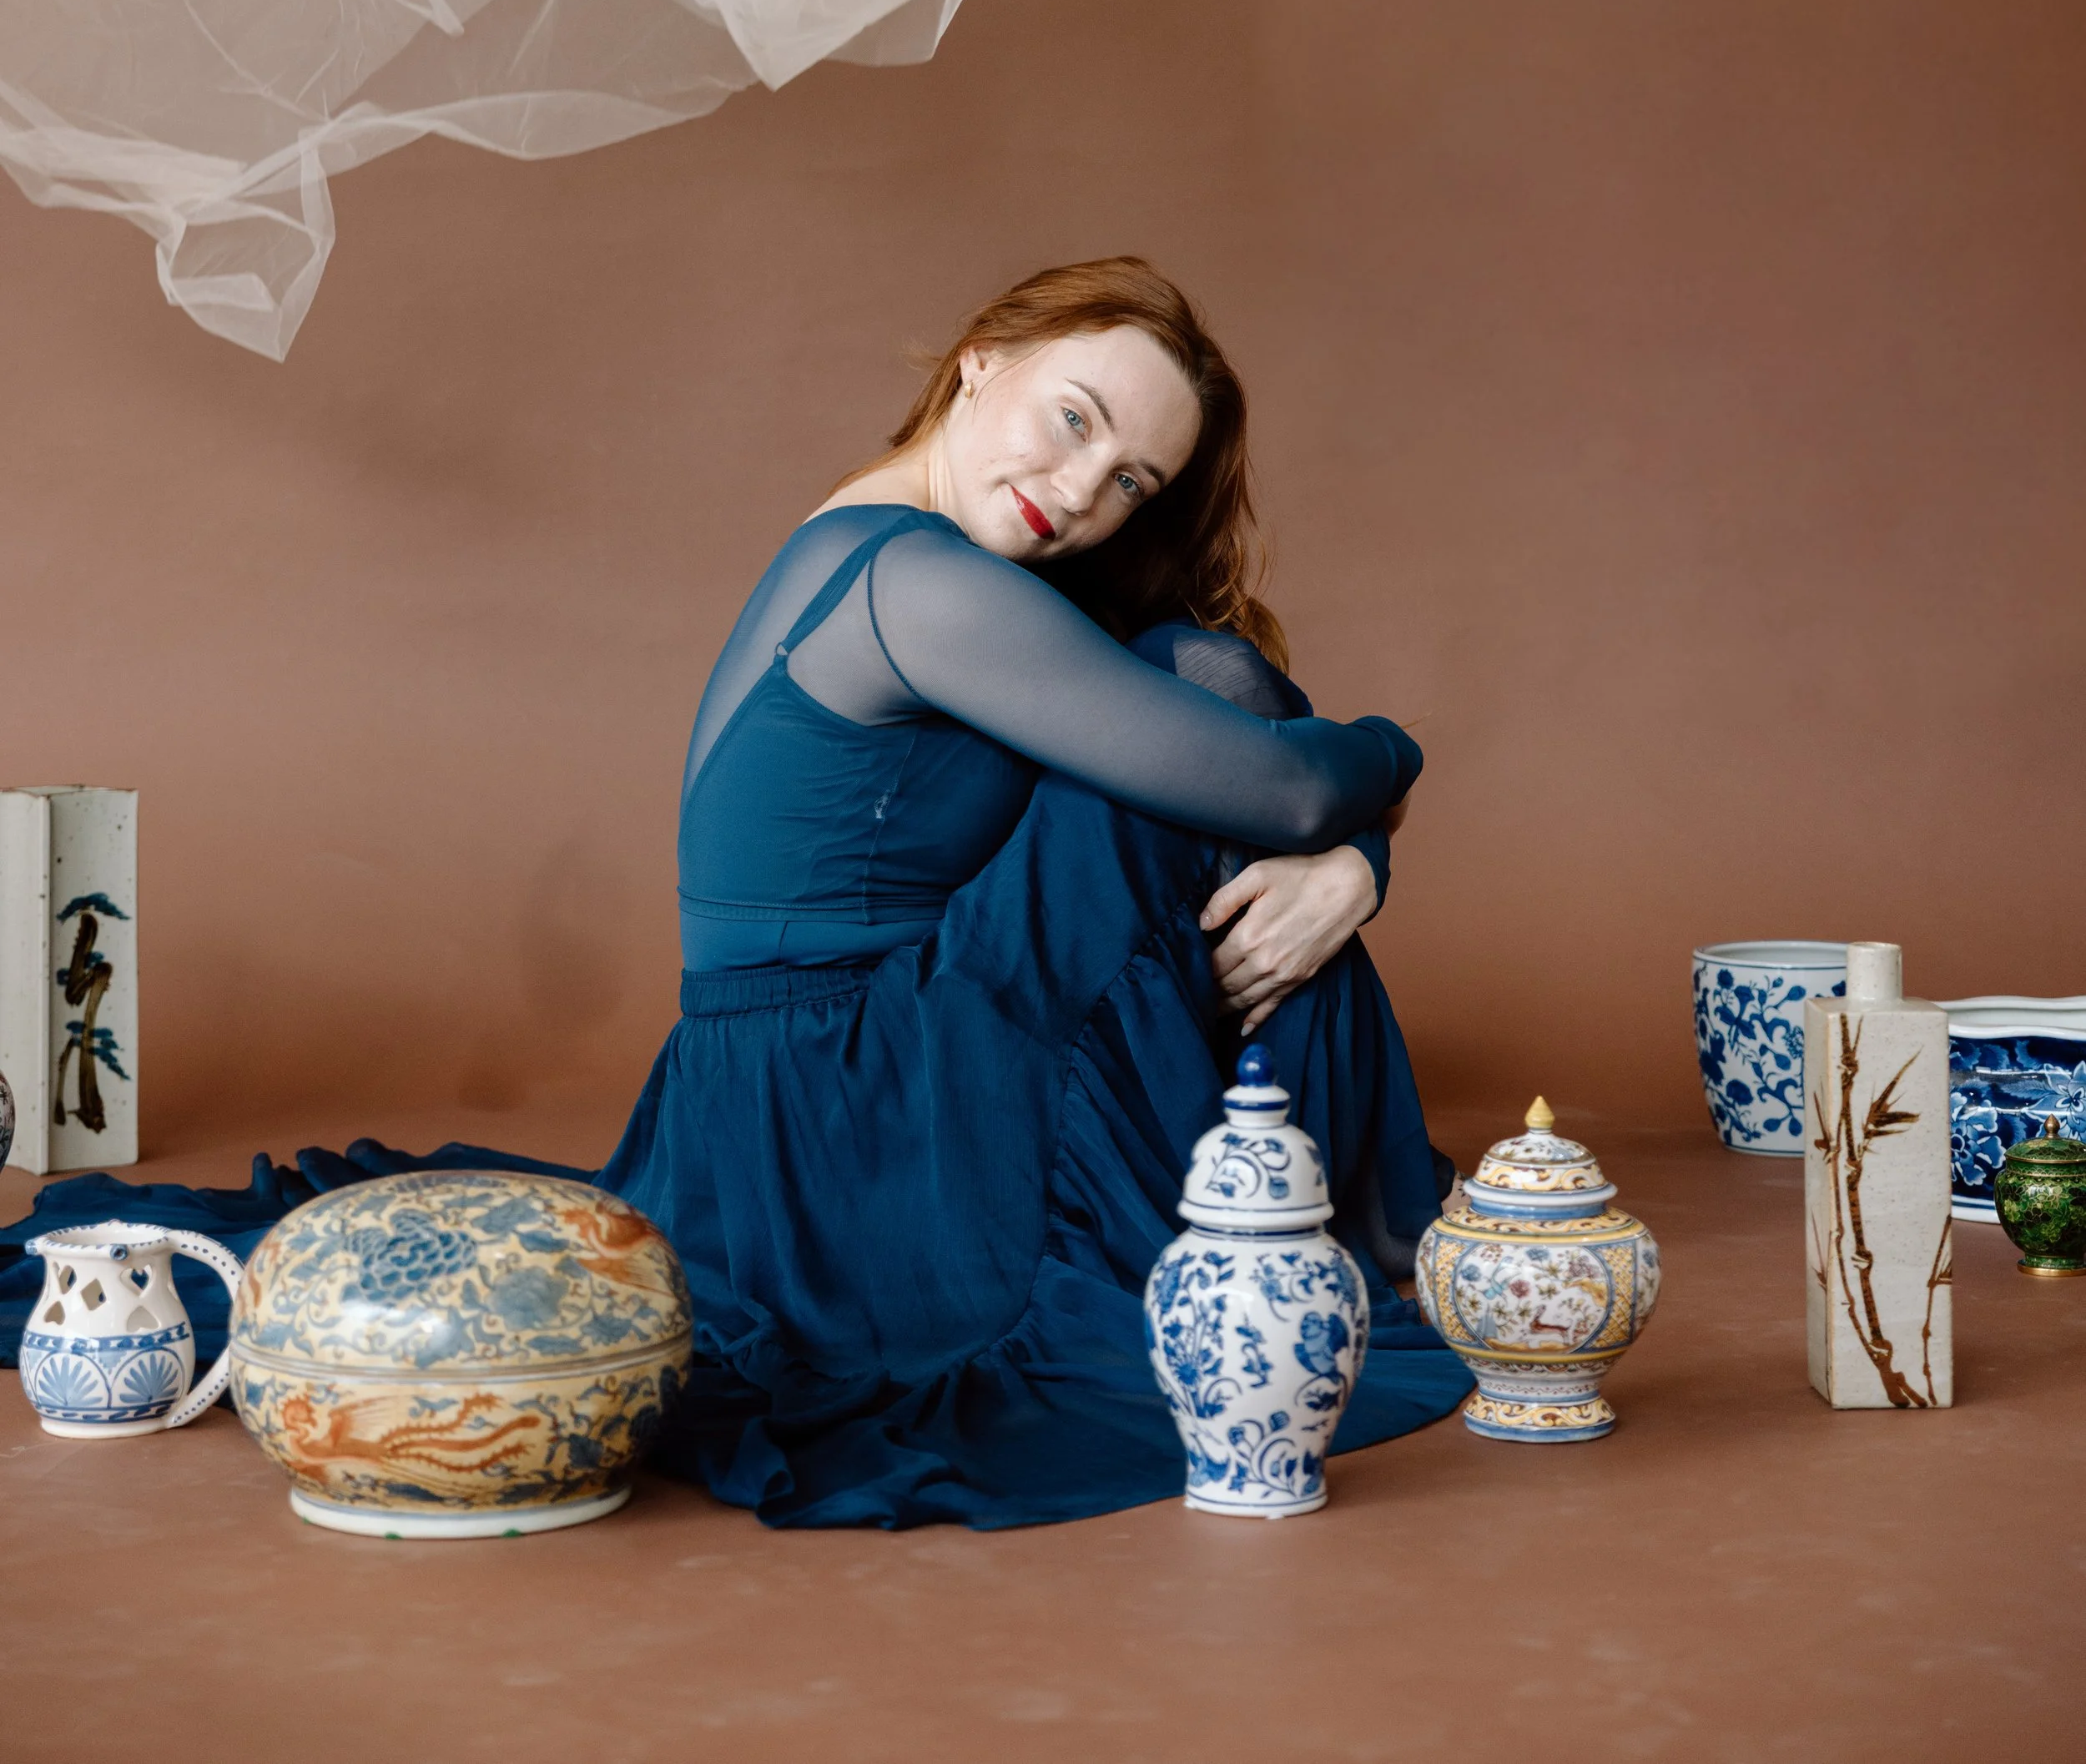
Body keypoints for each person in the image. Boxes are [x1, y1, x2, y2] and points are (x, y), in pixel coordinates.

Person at [1, 257, 1469, 1525]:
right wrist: (1380, 797)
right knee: (1198, 703)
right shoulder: (912, 582)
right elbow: (1281, 789)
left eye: (1131, 478)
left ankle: (1327, 1214)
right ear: (984, 364)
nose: (1083, 492)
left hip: (791, 1082)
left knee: (1191, 692)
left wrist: (1352, 861)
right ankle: (1354, 1225)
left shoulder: (914, 556)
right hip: (837, 1106)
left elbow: (1243, 781)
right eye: (1073, 421)